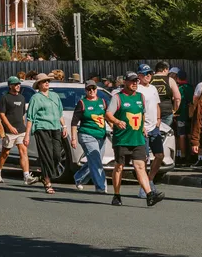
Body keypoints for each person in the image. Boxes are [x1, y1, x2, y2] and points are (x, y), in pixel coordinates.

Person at [107, 73, 165, 206]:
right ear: (126, 82)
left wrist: (143, 127)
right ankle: (116, 195)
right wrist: (117, 121)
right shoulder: (118, 97)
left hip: (137, 138)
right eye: (132, 81)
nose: (135, 83)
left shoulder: (141, 97)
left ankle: (149, 195)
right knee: (119, 167)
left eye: (136, 81)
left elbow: (141, 114)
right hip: (122, 139)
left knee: (140, 166)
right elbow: (108, 114)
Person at [25, 73, 67, 195]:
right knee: (46, 155)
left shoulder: (54, 95)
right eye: (44, 82)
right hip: (42, 128)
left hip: (55, 127)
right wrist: (27, 135)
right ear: (39, 84)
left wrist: (64, 126)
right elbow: (30, 117)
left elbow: (60, 112)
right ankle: (48, 182)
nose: (47, 83)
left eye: (48, 81)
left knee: (57, 155)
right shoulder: (36, 98)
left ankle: (44, 175)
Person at [0, 76, 35, 185]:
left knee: (23, 151)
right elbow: (2, 114)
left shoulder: (22, 98)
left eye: (19, 84)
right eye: (15, 84)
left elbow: (22, 114)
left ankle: (26, 176)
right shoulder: (5, 98)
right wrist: (9, 126)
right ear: (10, 86)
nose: (18, 86)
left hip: (20, 130)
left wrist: (23, 127)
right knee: (5, 153)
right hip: (9, 131)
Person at [70, 80, 109, 193]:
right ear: (85, 90)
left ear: (96, 89)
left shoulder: (103, 101)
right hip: (87, 135)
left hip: (101, 135)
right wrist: (73, 138)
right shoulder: (82, 103)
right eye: (89, 89)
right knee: (96, 160)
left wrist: (115, 126)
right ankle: (101, 187)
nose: (91, 91)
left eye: (93, 88)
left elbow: (107, 117)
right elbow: (74, 123)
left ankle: (79, 177)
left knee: (95, 160)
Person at [138, 64, 165, 194]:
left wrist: (159, 119)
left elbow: (157, 104)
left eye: (150, 73)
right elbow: (137, 110)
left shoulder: (153, 88)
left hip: (154, 127)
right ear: (139, 75)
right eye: (145, 73)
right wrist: (141, 126)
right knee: (144, 159)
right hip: (142, 128)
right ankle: (144, 188)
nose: (148, 76)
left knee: (159, 155)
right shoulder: (137, 89)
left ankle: (149, 180)